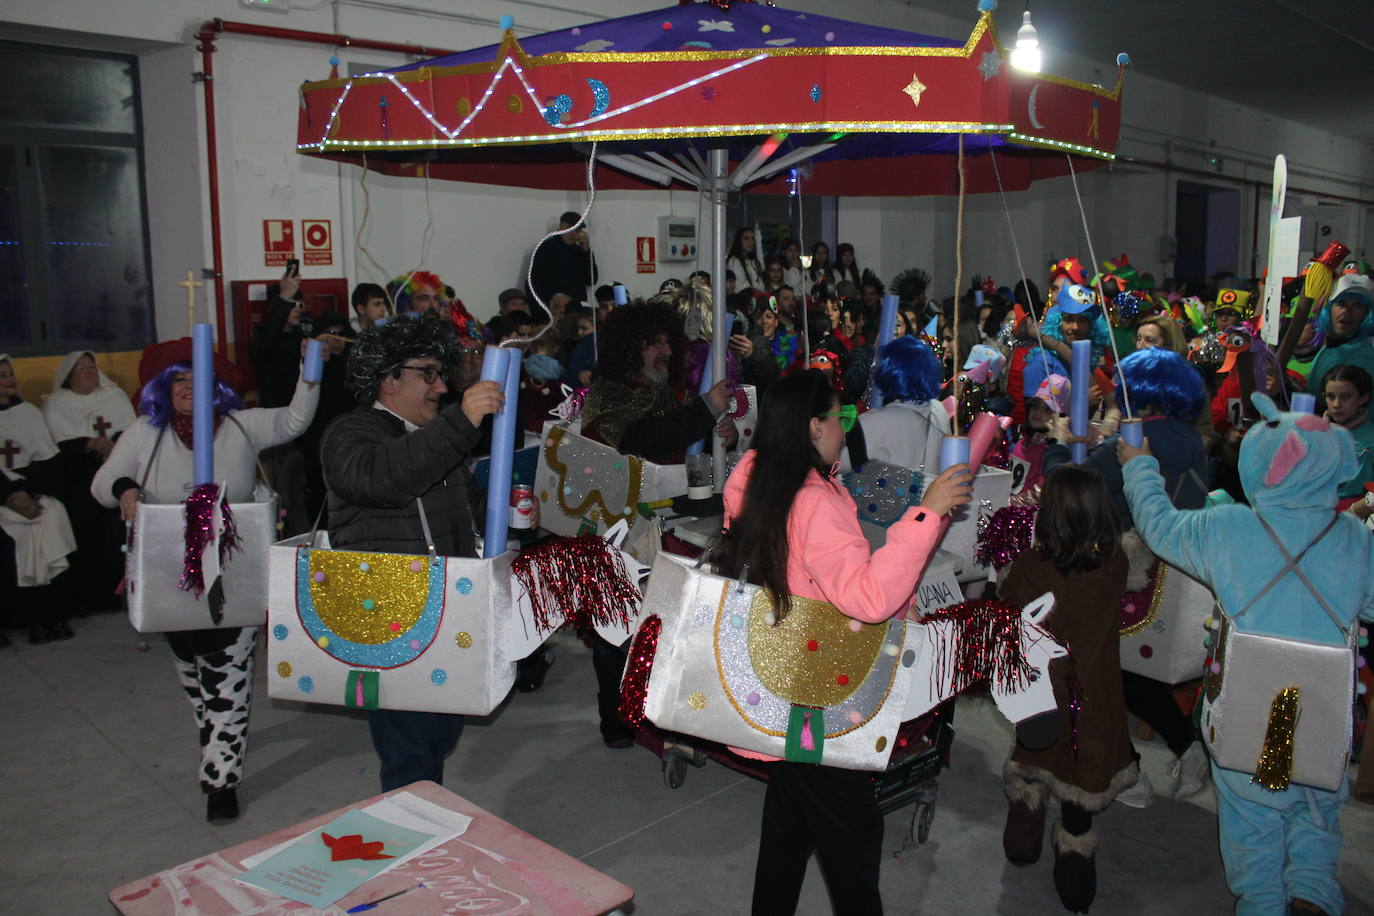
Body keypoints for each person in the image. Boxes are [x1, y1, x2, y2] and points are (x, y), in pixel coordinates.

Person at [716, 369, 973, 916]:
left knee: (788, 826)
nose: (846, 428)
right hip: (819, 697)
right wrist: (925, 514)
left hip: (777, 671)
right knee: (852, 840)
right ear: (813, 427)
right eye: (843, 417)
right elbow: (869, 598)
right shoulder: (813, 502)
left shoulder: (753, 475)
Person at [1119, 393, 1374, 916]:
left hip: (1264, 703)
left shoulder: (1229, 527)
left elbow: (1159, 525)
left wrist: (1140, 466)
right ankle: (1311, 893)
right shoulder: (1354, 538)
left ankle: (1263, 901)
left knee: (1256, 810)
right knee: (1317, 802)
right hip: (1326, 700)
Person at [93, 337, 319, 822]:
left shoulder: (241, 425)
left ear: (215, 387)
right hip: (168, 577)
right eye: (178, 380)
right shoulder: (144, 432)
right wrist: (126, 488)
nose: (187, 389)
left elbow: (295, 420)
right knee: (195, 675)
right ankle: (218, 735)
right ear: (162, 388)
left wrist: (311, 367)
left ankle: (221, 781)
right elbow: (102, 483)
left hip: (234, 573)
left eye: (197, 380)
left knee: (228, 675)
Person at [319, 316, 503, 791]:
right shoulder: (348, 434)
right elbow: (385, 479)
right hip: (388, 615)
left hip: (445, 606)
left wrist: (514, 507)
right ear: (388, 377)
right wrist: (460, 422)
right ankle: (414, 850)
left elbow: (463, 503)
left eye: (443, 374)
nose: (441, 386)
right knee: (411, 753)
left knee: (438, 735)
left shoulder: (435, 439)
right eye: (428, 373)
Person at [1045, 348, 1212, 807]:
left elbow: (1067, 493)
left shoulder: (1130, 445)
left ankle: (1127, 771)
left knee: (1094, 677)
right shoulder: (1191, 441)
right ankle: (1185, 749)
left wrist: (1059, 444)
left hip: (1119, 577)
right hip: (1172, 576)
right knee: (1134, 676)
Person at [1000, 464, 1134, 914]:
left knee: (1034, 753)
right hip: (1093, 694)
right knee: (1083, 774)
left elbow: (1008, 603)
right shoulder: (1116, 564)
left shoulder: (1032, 566)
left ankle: (1025, 824)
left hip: (1040, 689)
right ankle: (1075, 863)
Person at [42, 351, 137, 614]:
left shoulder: (113, 396)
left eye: (91, 366)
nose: (89, 372)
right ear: (68, 376)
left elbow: (131, 431)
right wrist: (89, 444)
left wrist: (115, 444)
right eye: (81, 368)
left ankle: (127, 592)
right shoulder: (56, 404)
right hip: (80, 477)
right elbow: (57, 446)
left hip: (116, 472)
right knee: (89, 532)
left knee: (119, 531)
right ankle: (93, 598)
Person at [0, 355, 78, 644]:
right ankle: (29, 619)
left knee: (52, 518)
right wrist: (9, 494)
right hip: (3, 498)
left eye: (10, 374)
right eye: (1, 375)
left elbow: (47, 462)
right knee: (18, 536)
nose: (8, 380)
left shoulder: (29, 413)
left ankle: (53, 616)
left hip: (32, 490)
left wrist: (31, 493)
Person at [840, 336, 948, 472]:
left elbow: (837, 464)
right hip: (935, 491)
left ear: (886, 371)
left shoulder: (873, 421)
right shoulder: (939, 410)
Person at [1306, 272, 1374, 396]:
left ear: (1366, 314)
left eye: (1358, 306)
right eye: (1341, 304)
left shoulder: (1363, 355)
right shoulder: (1329, 348)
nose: (1347, 312)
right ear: (1329, 309)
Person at [1320, 364, 1374, 504]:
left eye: (1346, 397)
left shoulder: (1369, 442)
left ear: (1363, 398)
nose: (1337, 404)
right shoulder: (1312, 434)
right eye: (1331, 397)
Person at [528, 210, 597, 307]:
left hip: (577, 307)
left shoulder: (581, 251)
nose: (573, 233)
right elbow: (534, 282)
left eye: (577, 230)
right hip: (553, 309)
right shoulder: (547, 248)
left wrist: (586, 250)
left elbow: (592, 280)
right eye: (570, 228)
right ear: (561, 226)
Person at [727, 227, 765, 294]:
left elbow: (762, 287)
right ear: (739, 240)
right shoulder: (734, 261)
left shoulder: (755, 262)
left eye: (753, 239)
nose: (750, 242)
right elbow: (742, 287)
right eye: (746, 238)